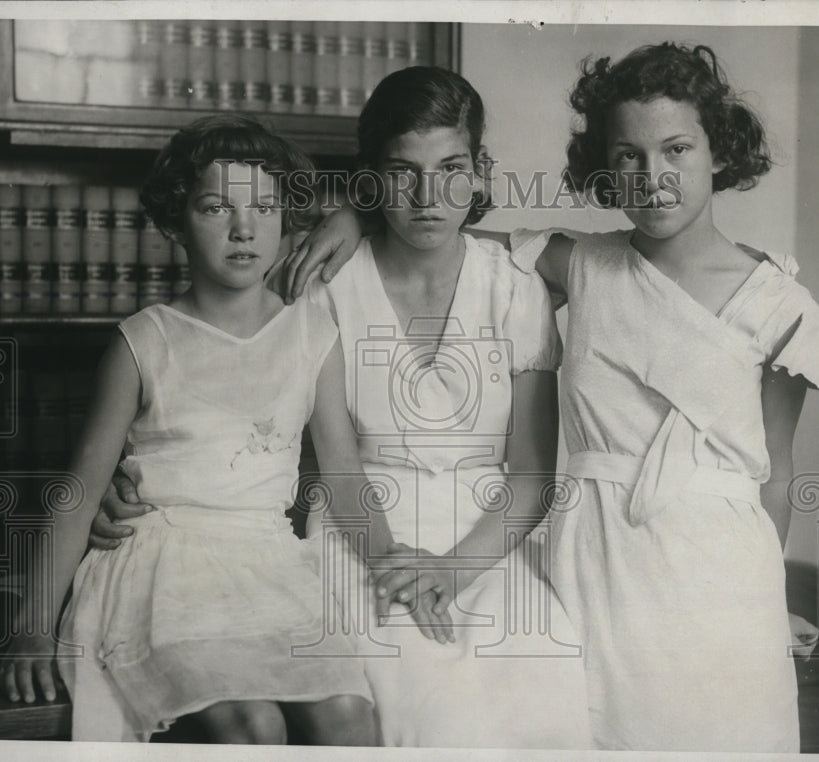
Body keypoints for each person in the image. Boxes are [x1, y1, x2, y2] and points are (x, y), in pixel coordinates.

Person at [281, 45, 819, 752]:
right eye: (629, 155)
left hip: (702, 565)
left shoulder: (775, 303)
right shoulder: (581, 263)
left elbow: (777, 472)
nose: (653, 176)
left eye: (676, 149)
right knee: (593, 718)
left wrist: (770, 599)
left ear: (719, 149)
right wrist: (350, 219)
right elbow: (441, 232)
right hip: (591, 555)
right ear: (604, 164)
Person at [91, 68, 592, 749]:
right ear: (370, 179)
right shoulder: (321, 282)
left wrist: (453, 569)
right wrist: (127, 486)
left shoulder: (514, 288)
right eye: (400, 172)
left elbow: (533, 475)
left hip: (487, 540)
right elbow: (213, 396)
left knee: (547, 670)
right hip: (362, 533)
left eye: (450, 168)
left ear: (480, 172)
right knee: (421, 694)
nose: (426, 196)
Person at [0, 115, 379, 745]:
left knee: (349, 715)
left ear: (287, 220)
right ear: (176, 221)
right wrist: (32, 625)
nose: (243, 228)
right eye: (215, 207)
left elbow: (343, 473)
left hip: (269, 565)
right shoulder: (143, 340)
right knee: (252, 725)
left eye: (264, 207)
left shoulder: (314, 335)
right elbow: (80, 490)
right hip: (163, 566)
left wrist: (393, 559)